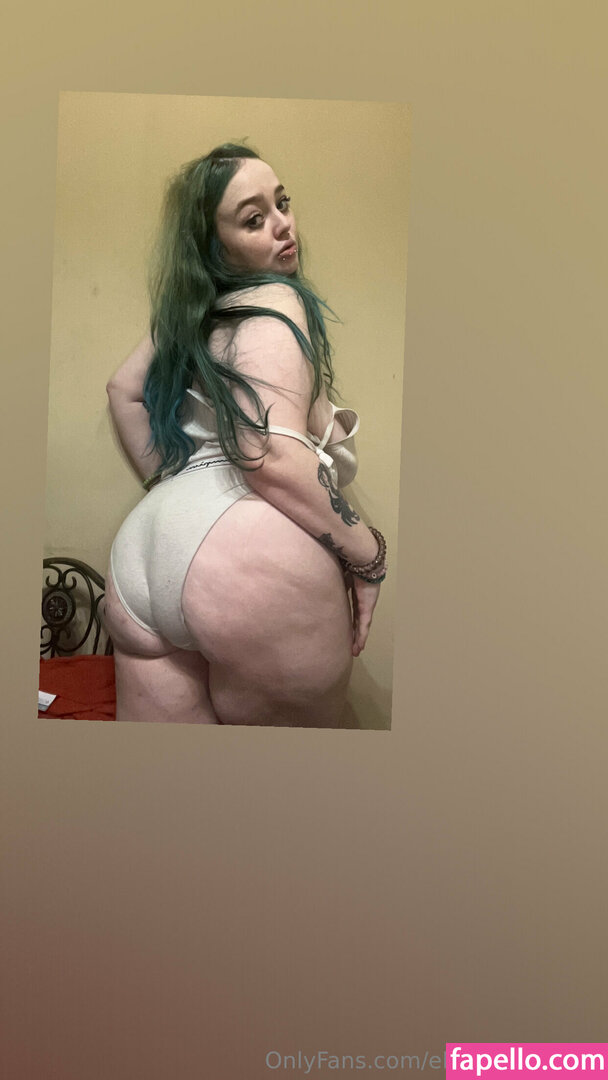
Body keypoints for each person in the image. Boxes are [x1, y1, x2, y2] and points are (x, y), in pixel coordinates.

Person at [103, 143, 387, 727]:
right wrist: (369, 555)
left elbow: (121, 390)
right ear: (217, 246)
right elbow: (267, 453)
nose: (282, 224)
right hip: (249, 559)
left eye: (282, 202)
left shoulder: (189, 318)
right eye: (254, 219)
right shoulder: (279, 298)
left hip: (143, 557)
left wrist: (172, 487)